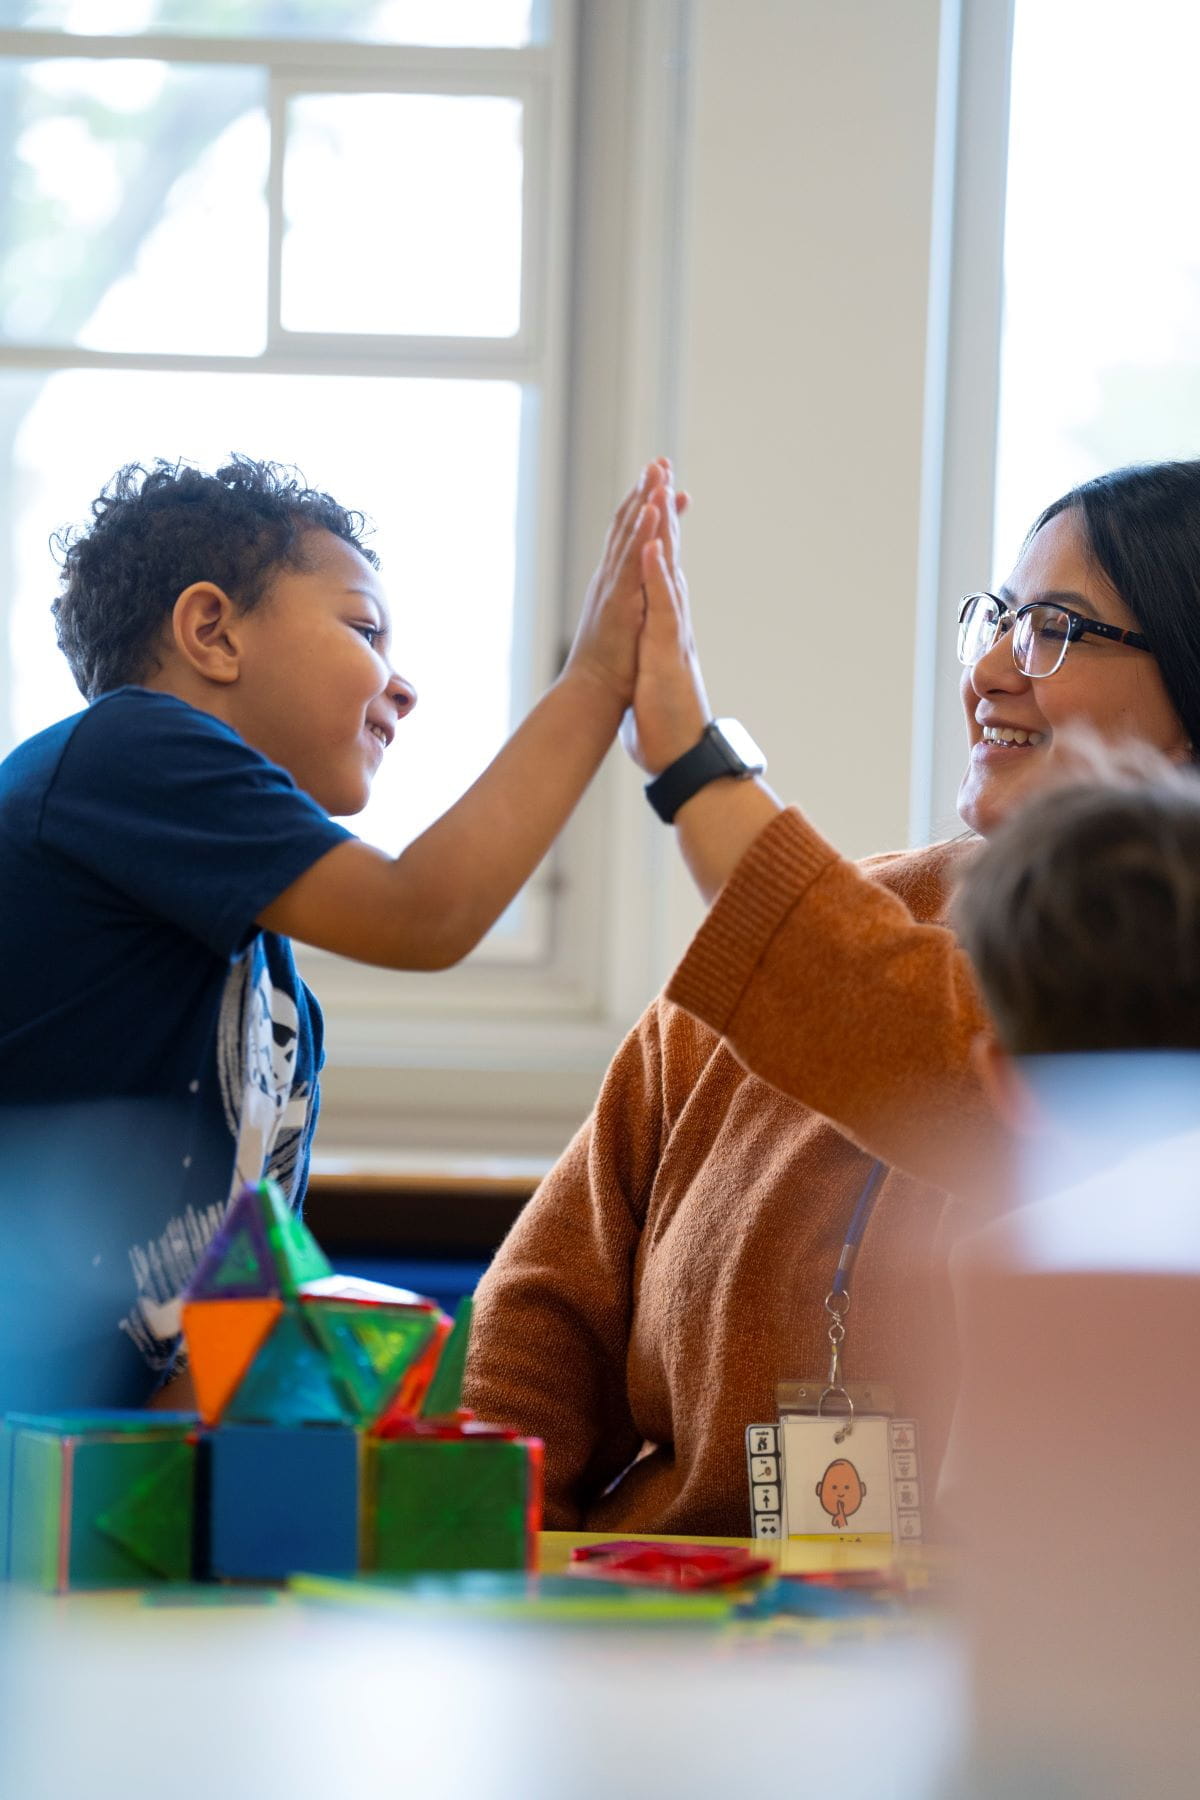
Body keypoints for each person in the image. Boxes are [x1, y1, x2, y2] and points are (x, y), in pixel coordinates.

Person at [464, 457, 1200, 1534]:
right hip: (663, 1629)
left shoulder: (797, 942)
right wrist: (472, 1570)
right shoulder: (795, 937)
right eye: (997, 619)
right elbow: (538, 1326)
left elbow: (940, 1052)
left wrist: (690, 758)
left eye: (1055, 627)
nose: (993, 666)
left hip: (983, 1653)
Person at [0, 453, 675, 1410]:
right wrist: (600, 677)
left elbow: (229, 1333)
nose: (402, 689)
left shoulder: (281, 1014)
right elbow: (424, 912)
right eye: (365, 629)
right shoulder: (123, 747)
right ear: (212, 633)